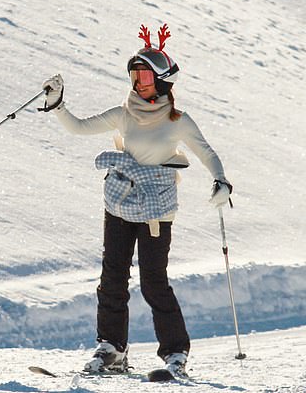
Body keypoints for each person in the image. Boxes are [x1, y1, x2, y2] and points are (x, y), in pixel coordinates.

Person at [41, 24, 232, 378]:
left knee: (153, 281)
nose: (138, 81)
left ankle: (176, 354)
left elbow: (206, 153)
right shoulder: (124, 113)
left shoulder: (177, 120)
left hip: (157, 208)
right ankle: (113, 349)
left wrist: (221, 181)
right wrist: (57, 105)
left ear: (162, 81)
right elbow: (79, 127)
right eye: (134, 74)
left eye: (144, 75)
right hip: (120, 204)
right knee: (112, 276)